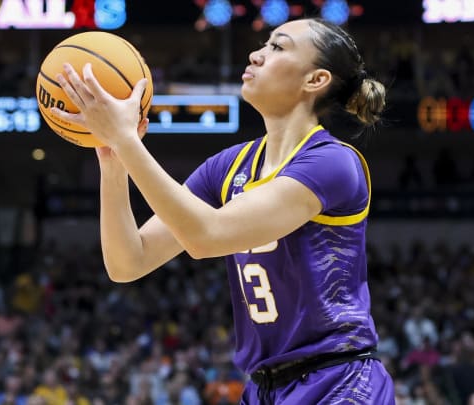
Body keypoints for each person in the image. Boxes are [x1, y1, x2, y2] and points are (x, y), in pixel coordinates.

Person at [51, 18, 394, 404]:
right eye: (264, 44)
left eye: (278, 48)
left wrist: (127, 140)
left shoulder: (332, 163)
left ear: (315, 80)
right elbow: (128, 261)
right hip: (264, 388)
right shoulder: (229, 166)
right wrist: (113, 163)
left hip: (339, 381)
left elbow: (207, 235)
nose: (256, 54)